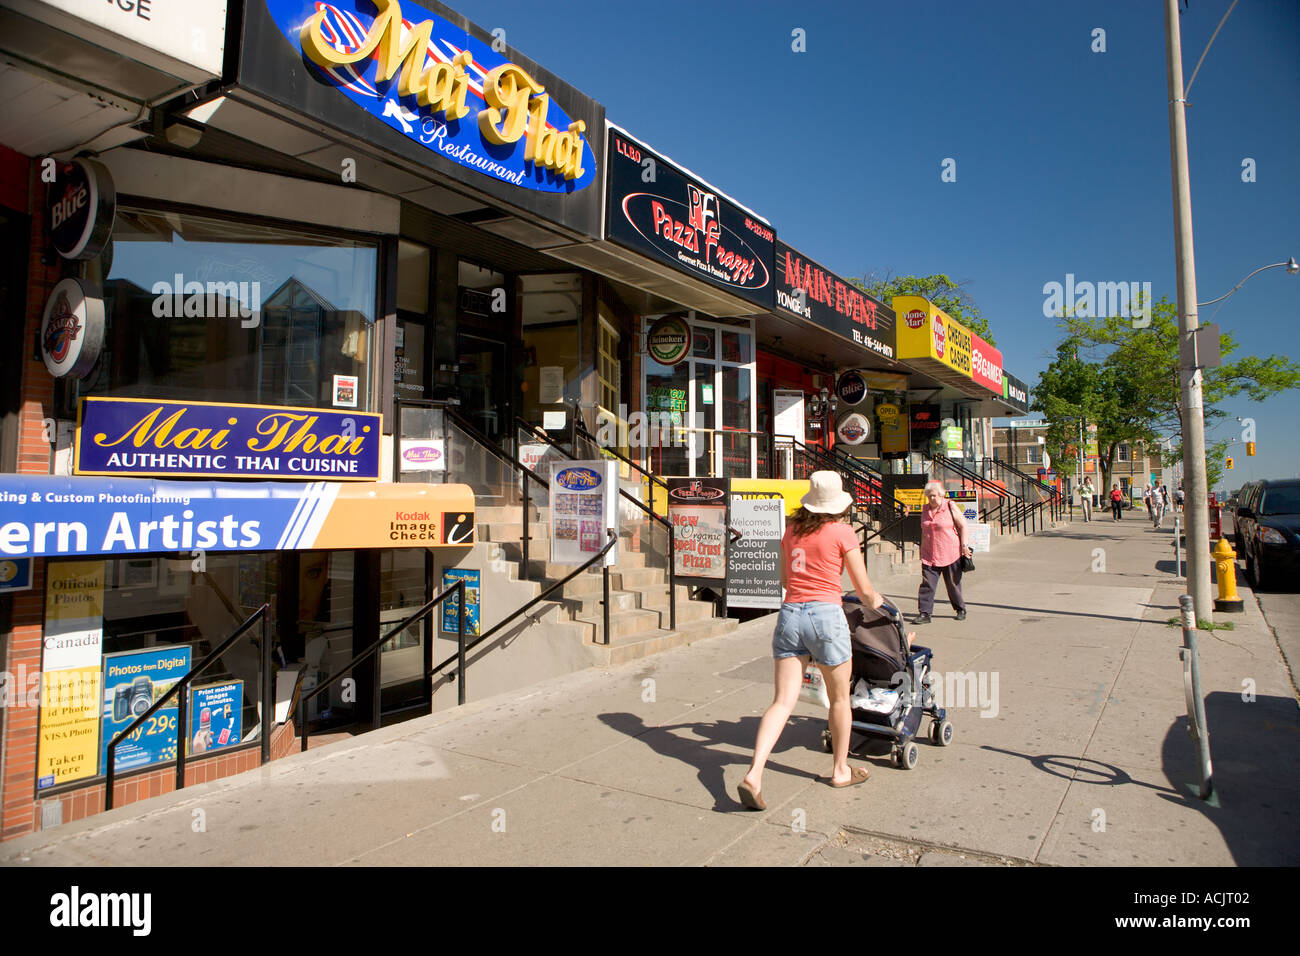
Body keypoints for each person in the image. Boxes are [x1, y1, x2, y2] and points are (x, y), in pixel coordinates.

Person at [738, 471, 884, 810]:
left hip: (790, 616)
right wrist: (877, 601)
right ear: (837, 504)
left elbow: (786, 579)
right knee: (839, 700)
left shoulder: (791, 530)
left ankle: (755, 772)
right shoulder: (842, 532)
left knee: (782, 702)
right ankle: (840, 769)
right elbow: (863, 590)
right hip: (826, 616)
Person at [913, 480, 971, 625]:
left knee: (952, 583)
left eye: (934, 496)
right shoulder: (925, 509)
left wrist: (964, 546)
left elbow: (963, 526)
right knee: (927, 585)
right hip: (929, 553)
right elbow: (924, 530)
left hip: (950, 552)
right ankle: (925, 613)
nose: (931, 499)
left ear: (941, 495)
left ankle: (960, 609)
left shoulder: (950, 506)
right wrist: (921, 549)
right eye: (929, 496)